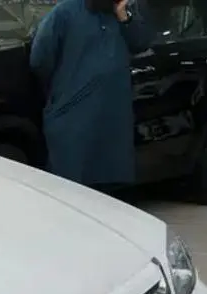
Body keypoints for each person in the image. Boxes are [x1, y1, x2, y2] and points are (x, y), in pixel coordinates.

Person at [29, 0, 154, 193]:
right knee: (69, 189)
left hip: (111, 119)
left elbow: (141, 42)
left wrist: (124, 16)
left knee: (107, 190)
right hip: (71, 115)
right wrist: (61, 90)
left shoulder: (122, 12)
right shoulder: (64, 12)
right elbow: (40, 60)